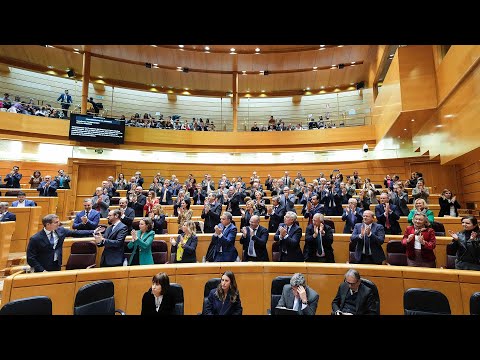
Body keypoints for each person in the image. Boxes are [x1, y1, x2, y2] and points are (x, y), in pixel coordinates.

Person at [26, 214, 93, 272]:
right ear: (48, 224)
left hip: (57, 264)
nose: (59, 223)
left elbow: (75, 233)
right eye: (56, 222)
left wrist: (93, 231)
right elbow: (30, 258)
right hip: (42, 268)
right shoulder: (35, 238)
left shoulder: (61, 230)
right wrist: (42, 270)